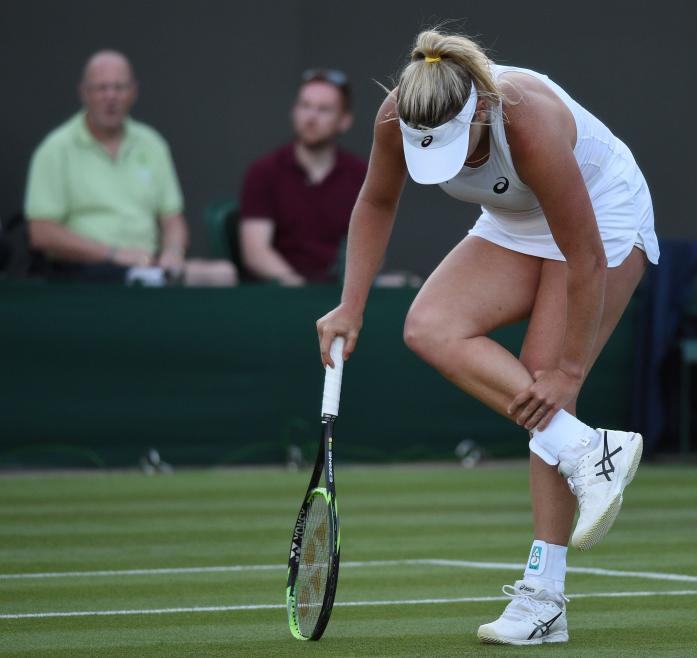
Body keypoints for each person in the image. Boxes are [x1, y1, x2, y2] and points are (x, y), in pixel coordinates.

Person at [315, 29, 660, 645]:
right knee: (428, 326)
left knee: (544, 372)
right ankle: (588, 449)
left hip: (602, 213)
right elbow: (375, 203)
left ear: (479, 109)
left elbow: (582, 254)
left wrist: (568, 373)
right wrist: (350, 306)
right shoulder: (399, 112)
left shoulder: (527, 121)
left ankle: (544, 600)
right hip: (516, 220)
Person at [25, 50, 236, 286]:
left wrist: (173, 253)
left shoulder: (152, 143)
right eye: (101, 88)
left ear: (134, 92)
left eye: (119, 87)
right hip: (83, 271)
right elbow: (42, 233)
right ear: (84, 93)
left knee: (223, 274)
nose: (111, 96)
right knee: (144, 279)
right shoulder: (55, 149)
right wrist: (114, 255)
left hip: (148, 265)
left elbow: (172, 219)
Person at [239, 68, 367, 285]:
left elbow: (372, 244)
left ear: (344, 120)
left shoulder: (360, 174)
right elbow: (255, 251)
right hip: (280, 295)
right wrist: (296, 286)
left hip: (341, 294)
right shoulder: (264, 171)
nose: (311, 117)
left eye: (323, 109)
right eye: (305, 106)